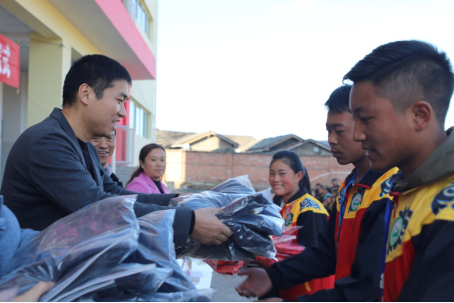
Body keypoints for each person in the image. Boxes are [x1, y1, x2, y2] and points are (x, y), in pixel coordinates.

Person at [1, 54, 232, 249]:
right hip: (32, 272)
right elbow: (96, 205)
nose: (122, 113)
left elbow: (117, 194)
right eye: (119, 101)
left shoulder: (82, 145)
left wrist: (180, 201)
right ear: (86, 94)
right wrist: (188, 222)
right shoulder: (48, 141)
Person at [236, 84, 397, 301]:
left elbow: (366, 284)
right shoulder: (348, 189)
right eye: (328, 131)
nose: (331, 139)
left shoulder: (390, 191)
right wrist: (273, 276)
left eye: (339, 131)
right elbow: (326, 253)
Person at [345, 40, 454, 301]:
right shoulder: (407, 191)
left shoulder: (446, 212)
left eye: (367, 118)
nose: (356, 134)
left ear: (419, 115)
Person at [268, 150, 334, 301]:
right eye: (272, 173)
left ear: (298, 176)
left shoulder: (310, 209)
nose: (275, 179)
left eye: (282, 173)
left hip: (310, 292)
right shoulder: (277, 206)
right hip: (286, 287)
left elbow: (314, 259)